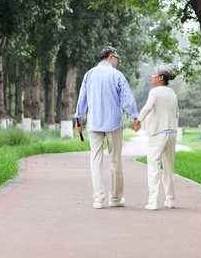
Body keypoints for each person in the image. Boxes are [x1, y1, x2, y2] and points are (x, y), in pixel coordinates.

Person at [75, 46, 138, 209]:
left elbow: (82, 97)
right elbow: (127, 98)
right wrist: (134, 116)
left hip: (94, 123)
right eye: (117, 58)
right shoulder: (117, 75)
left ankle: (98, 199)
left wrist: (78, 117)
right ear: (111, 57)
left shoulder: (89, 74)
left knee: (95, 161)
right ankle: (115, 198)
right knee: (115, 160)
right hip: (113, 124)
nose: (117, 62)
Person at [132, 65, 179, 211]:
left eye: (154, 74)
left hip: (158, 132)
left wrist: (138, 121)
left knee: (153, 165)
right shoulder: (172, 93)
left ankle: (153, 201)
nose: (151, 76)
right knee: (169, 167)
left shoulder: (155, 91)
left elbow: (147, 107)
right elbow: (176, 113)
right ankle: (170, 199)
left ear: (161, 78)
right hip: (171, 132)